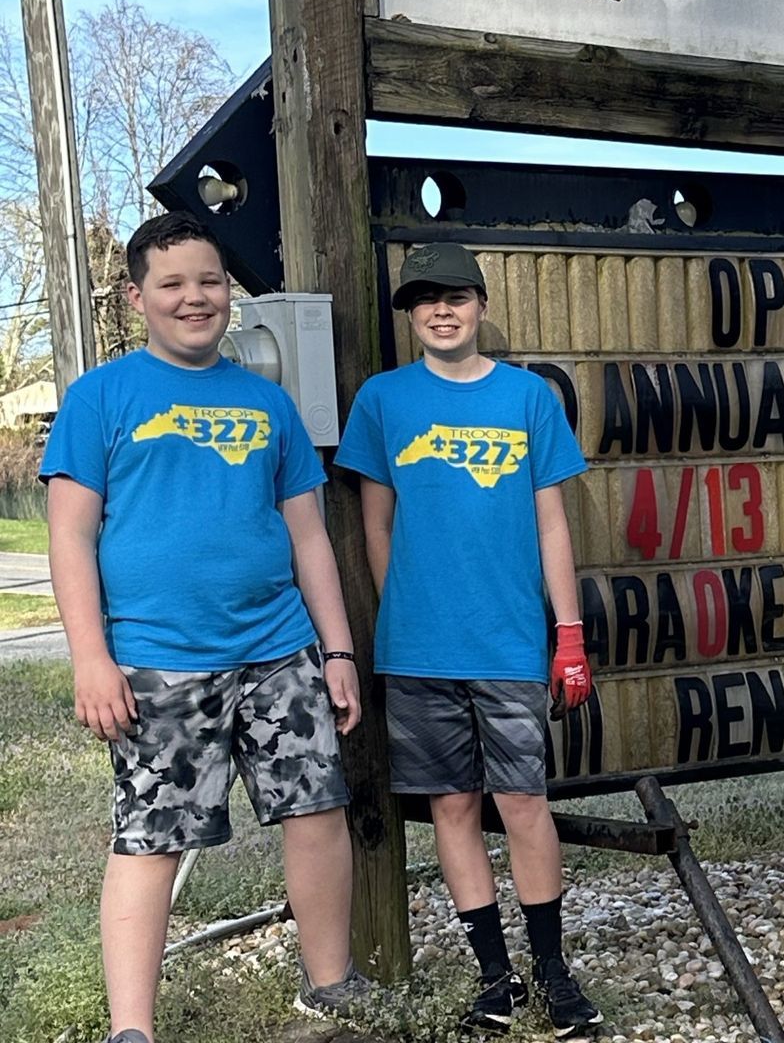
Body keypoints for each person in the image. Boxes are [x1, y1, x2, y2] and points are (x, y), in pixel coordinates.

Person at [41, 212, 370, 1043]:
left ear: (231, 290)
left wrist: (335, 650)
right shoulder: (100, 398)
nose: (197, 298)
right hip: (158, 662)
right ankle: (132, 1028)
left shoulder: (269, 404)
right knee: (150, 839)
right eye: (174, 284)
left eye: (211, 281)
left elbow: (308, 538)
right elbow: (70, 535)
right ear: (138, 297)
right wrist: (91, 657)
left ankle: (330, 985)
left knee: (317, 810)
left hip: (279, 653)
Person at [335, 242, 602, 1036]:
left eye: (455, 296)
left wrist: (570, 633)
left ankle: (553, 969)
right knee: (452, 805)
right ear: (411, 315)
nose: (441, 311)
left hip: (511, 641)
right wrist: (409, 607)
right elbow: (375, 523)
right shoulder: (383, 401)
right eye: (424, 300)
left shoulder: (528, 399)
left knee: (522, 801)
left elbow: (552, 521)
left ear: (482, 306)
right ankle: (495, 976)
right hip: (417, 650)